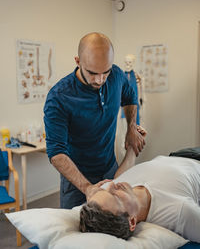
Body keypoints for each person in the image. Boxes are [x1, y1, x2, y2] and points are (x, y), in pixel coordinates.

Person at [43, 32, 145, 209]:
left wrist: (131, 128)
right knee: (76, 230)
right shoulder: (59, 97)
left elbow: (130, 98)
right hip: (77, 180)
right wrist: (87, 188)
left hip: (109, 167)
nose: (100, 80)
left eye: (105, 72)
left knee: (115, 221)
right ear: (78, 61)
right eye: (93, 73)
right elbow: (56, 152)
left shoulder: (117, 75)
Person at [79, 146, 200, 243]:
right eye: (115, 197)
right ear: (131, 221)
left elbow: (118, 177)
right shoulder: (179, 211)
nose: (111, 185)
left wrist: (131, 149)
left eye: (103, 190)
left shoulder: (114, 190)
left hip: (177, 154)